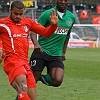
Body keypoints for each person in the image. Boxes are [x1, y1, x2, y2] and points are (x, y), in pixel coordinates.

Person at [0, 1, 58, 100]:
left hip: (25, 63)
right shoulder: (3, 23)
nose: (18, 16)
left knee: (32, 97)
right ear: (10, 11)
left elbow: (45, 33)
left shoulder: (28, 22)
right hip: (12, 61)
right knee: (23, 87)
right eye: (15, 13)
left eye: (20, 14)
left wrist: (53, 26)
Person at [30, 0, 75, 87]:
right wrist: (36, 44)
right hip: (42, 51)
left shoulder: (71, 17)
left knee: (57, 80)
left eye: (65, 0)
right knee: (31, 81)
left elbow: (67, 34)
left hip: (56, 54)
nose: (62, 2)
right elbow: (33, 30)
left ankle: (39, 77)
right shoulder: (47, 14)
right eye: (60, 0)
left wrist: (63, 52)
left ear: (68, 2)